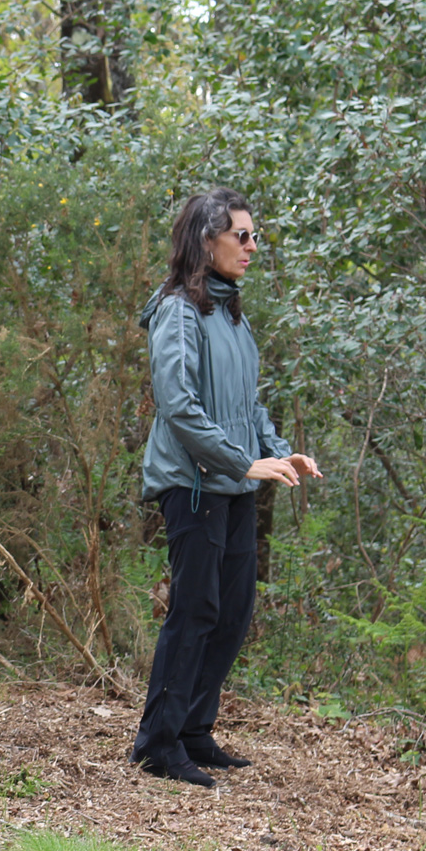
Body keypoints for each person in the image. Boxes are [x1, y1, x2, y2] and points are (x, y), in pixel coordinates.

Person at [132, 187, 321, 787]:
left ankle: (192, 728)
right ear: (205, 239)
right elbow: (180, 407)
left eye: (254, 235)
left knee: (234, 609)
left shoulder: (229, 311)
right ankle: (157, 744)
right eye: (241, 235)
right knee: (195, 610)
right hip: (193, 483)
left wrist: (274, 451)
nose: (252, 246)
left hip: (234, 483)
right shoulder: (177, 311)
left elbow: (247, 403)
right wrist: (244, 463)